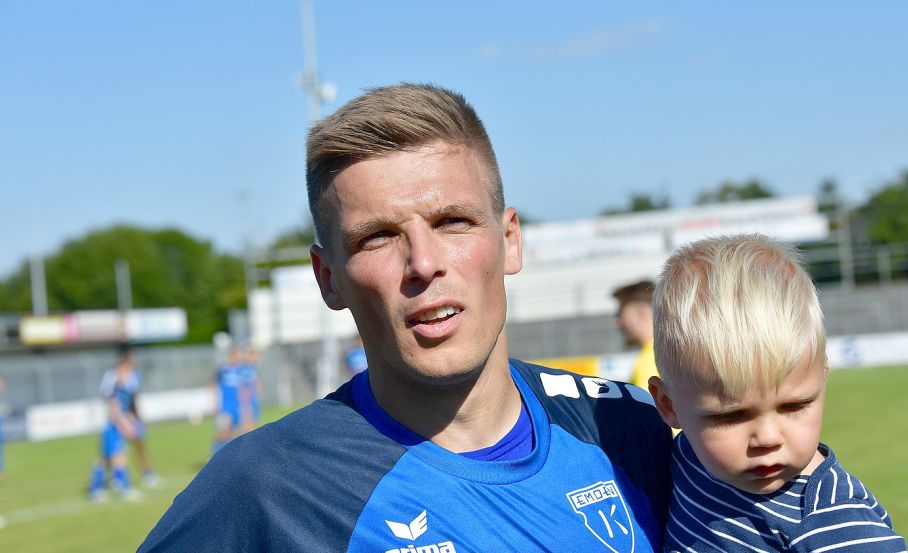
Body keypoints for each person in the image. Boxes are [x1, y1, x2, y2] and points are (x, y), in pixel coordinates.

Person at [140, 83, 673, 552]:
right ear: (328, 278)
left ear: (510, 241)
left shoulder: (632, 428)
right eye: (377, 237)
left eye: (453, 222)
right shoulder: (268, 485)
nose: (423, 263)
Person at [647, 234, 907, 552]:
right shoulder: (688, 457)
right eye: (731, 415)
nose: (768, 438)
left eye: (794, 405)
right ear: (668, 404)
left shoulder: (832, 523)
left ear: (822, 377)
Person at [87, 346, 143, 501]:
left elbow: (129, 402)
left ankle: (96, 489)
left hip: (121, 421)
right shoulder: (112, 377)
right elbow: (113, 405)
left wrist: (132, 418)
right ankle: (124, 488)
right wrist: (123, 423)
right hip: (112, 423)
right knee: (117, 456)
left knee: (105, 458)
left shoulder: (132, 377)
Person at [612, 279, 659, 388]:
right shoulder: (671, 351)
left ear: (641, 313)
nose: (617, 323)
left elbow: (648, 404)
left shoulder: (651, 360)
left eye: (620, 314)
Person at [212, 347, 245, 451]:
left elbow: (245, 389)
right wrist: (215, 403)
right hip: (225, 407)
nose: (237, 359)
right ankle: (214, 455)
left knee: (235, 434)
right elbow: (213, 385)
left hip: (238, 407)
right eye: (234, 357)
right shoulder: (223, 370)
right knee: (223, 433)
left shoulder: (241, 371)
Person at [239, 347, 263, 431]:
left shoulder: (252, 368)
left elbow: (255, 381)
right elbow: (243, 385)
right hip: (248, 399)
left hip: (253, 397)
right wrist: (245, 401)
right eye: (255, 356)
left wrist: (259, 391)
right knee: (248, 422)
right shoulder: (245, 368)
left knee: (255, 421)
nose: (257, 358)